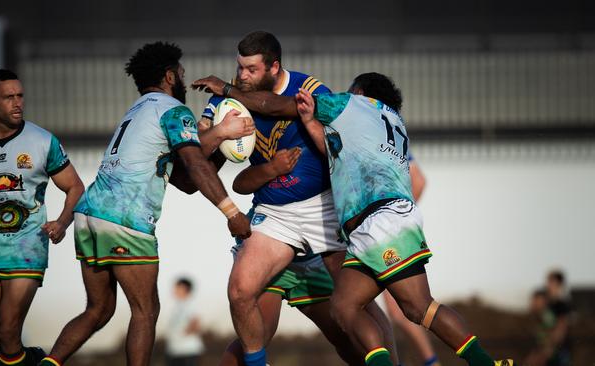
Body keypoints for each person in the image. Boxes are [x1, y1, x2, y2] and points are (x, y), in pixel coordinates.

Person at [191, 72, 515, 365]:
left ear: (359, 91)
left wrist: (229, 89)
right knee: (346, 307)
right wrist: (311, 125)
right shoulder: (391, 122)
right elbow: (336, 151)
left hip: (379, 222)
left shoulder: (352, 104)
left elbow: (278, 105)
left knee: (418, 308)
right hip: (385, 223)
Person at [38, 41, 251, 366]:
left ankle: (49, 363)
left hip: (89, 216)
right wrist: (231, 211)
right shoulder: (172, 109)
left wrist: (215, 137)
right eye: (180, 74)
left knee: (98, 310)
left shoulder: (138, 110)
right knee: (145, 310)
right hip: (125, 220)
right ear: (169, 76)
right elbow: (194, 165)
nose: (183, 80)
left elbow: (185, 181)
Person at [195, 31, 397, 366]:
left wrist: (229, 91)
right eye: (239, 68)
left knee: (350, 319)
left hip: (323, 211)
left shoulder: (309, 88)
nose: (242, 77)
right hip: (274, 216)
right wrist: (218, 132)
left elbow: (282, 108)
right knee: (240, 291)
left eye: (251, 70)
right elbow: (196, 157)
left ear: (274, 67)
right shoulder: (227, 99)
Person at [0, 69, 85, 366]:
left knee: (9, 330)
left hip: (27, 250)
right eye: (9, 97)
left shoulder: (42, 141)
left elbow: (75, 187)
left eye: (20, 95)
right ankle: (27, 360)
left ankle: (17, 356)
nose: (17, 102)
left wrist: (62, 222)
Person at [381, 160, 441, 366]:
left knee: (411, 307)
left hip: (382, 237)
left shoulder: (379, 132)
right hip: (369, 237)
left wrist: (394, 218)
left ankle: (431, 362)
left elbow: (419, 180)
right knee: (398, 310)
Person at [525, 271, 571, 366]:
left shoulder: (562, 305)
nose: (548, 284)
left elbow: (561, 329)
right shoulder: (545, 304)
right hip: (543, 347)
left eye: (551, 282)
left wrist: (548, 348)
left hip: (556, 350)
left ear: (559, 284)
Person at [165, 278, 205, 366]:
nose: (174, 290)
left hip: (188, 351)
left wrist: (182, 334)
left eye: (177, 288)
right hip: (174, 351)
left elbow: (196, 324)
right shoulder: (176, 306)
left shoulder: (191, 304)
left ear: (184, 288)